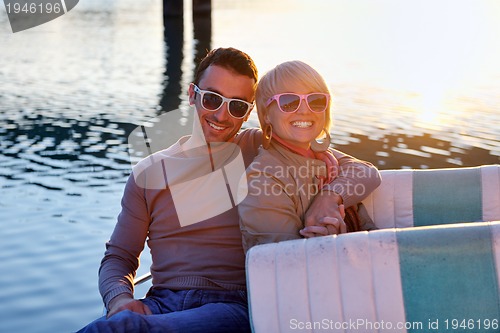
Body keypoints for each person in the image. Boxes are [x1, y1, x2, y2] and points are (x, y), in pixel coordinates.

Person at [76, 48, 380, 333]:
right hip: (160, 304)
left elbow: (363, 171)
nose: (222, 115)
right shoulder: (148, 173)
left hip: (236, 305)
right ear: (192, 95)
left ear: (248, 112)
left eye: (236, 106)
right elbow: (120, 256)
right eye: (212, 99)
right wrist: (118, 299)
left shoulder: (263, 147)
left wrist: (330, 196)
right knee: (119, 325)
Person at [239, 60, 379, 252]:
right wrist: (331, 244)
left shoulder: (323, 158)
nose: (305, 110)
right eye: (289, 102)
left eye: (316, 100)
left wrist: (328, 197)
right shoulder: (263, 180)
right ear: (266, 115)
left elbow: (367, 171)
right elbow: (282, 266)